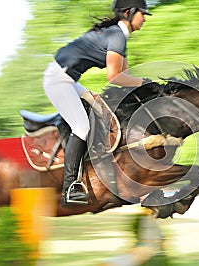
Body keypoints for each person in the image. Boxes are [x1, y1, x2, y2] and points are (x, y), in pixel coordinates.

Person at [43, 0, 152, 207]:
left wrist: (144, 89)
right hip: (58, 80)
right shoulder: (117, 36)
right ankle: (70, 188)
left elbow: (126, 77)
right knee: (82, 127)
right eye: (142, 14)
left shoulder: (119, 37)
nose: (144, 19)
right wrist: (145, 83)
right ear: (129, 13)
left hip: (68, 80)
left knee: (100, 109)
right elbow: (114, 77)